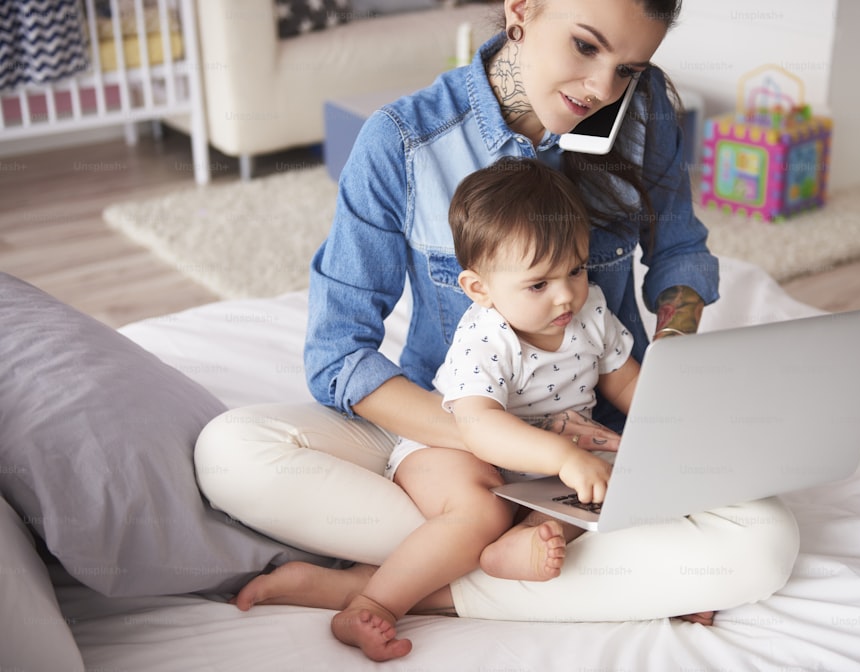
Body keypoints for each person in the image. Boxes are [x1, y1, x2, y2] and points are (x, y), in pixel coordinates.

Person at [194, 0, 799, 653]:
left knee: (766, 541)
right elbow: (339, 356)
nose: (602, 89)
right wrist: (501, 443)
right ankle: (607, 572)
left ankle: (393, 586)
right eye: (585, 47)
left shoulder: (640, 112)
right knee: (230, 452)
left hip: (595, 444)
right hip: (450, 435)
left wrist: (671, 372)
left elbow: (679, 252)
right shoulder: (403, 139)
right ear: (520, 10)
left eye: (628, 66)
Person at [327, 156, 641, 660]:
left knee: (602, 503)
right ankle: (373, 603)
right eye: (539, 284)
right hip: (457, 450)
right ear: (480, 289)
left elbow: (625, 382)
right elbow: (479, 426)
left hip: (551, 460)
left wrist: (660, 425)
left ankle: (520, 545)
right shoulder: (486, 334)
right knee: (480, 508)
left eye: (576, 269)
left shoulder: (591, 310)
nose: (566, 296)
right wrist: (561, 457)